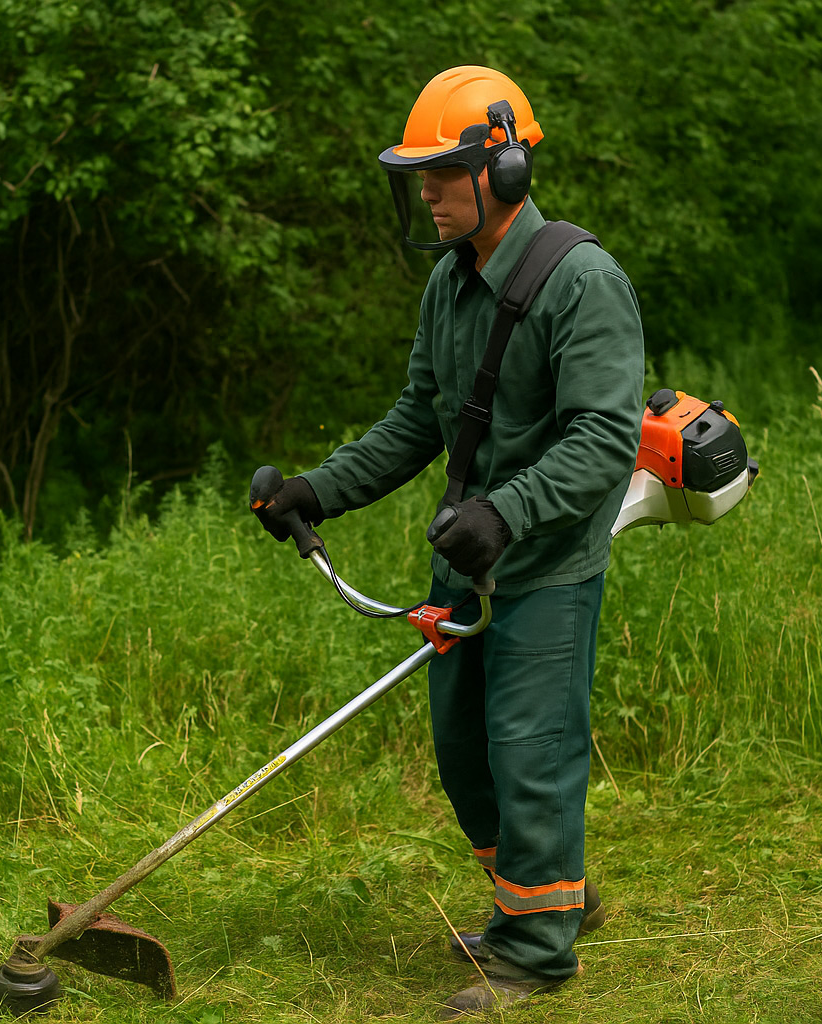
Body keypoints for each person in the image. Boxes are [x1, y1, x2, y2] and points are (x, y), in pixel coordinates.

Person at [251, 66, 645, 1018]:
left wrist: (507, 514)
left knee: (530, 747)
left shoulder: (583, 282)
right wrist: (318, 490)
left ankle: (534, 955)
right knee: (464, 748)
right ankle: (549, 899)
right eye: (417, 177)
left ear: (503, 169)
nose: (424, 194)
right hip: (464, 557)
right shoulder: (449, 281)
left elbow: (604, 438)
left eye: (439, 174)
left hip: (544, 563)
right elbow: (418, 421)